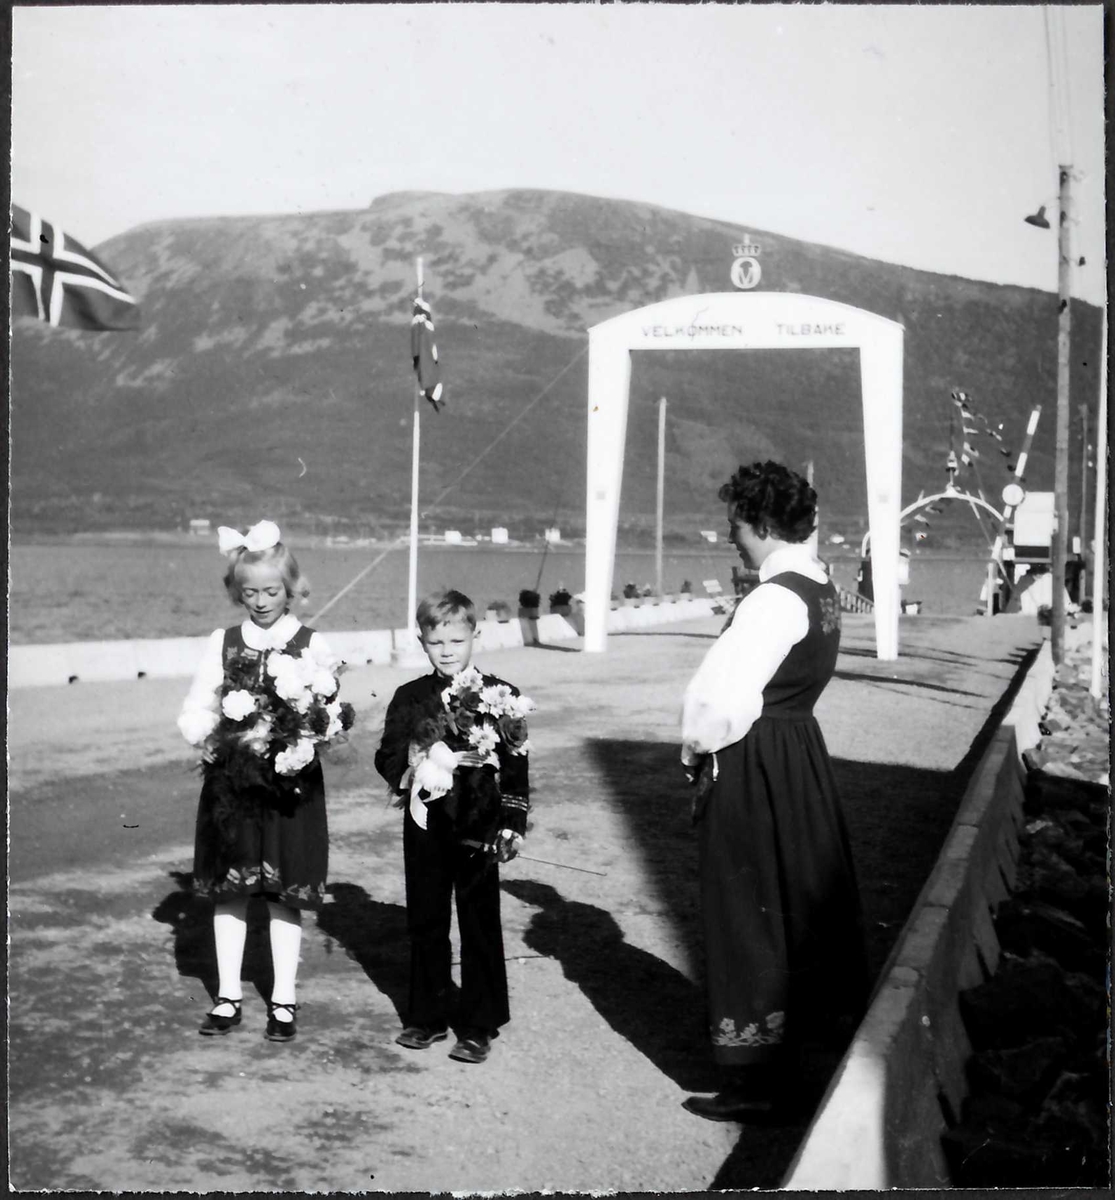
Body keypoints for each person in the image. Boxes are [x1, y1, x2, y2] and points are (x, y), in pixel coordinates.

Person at [679, 461, 869, 1121]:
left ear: (759, 524)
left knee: (745, 904)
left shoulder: (770, 599)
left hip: (754, 756)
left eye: (735, 522)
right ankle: (808, 1053)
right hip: (797, 755)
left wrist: (696, 750)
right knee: (796, 902)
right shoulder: (817, 585)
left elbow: (722, 697)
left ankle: (755, 1075)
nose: (730, 535)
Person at [178, 520, 344, 1043]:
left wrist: (307, 738)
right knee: (231, 891)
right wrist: (206, 735)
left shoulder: (313, 645)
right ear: (236, 592)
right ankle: (228, 996)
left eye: (272, 591)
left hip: (290, 790)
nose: (261, 601)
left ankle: (284, 1000)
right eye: (249, 592)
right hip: (234, 789)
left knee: (282, 895)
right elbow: (196, 706)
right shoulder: (222, 643)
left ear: (291, 588)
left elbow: (330, 714)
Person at [374, 589, 531, 1065]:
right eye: (436, 641)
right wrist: (417, 759)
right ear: (421, 641)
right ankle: (426, 1015)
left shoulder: (500, 696)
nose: (447, 651)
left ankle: (479, 1024)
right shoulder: (409, 697)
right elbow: (386, 756)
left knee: (479, 920)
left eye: (457, 641)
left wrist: (512, 823)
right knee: (426, 919)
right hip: (426, 823)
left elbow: (517, 764)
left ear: (475, 636)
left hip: (480, 827)